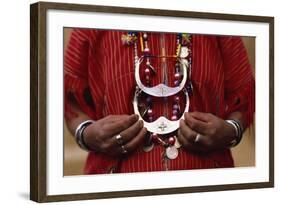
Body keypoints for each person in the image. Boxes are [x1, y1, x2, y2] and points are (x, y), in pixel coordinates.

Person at [64, 28, 255, 174]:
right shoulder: (95, 17)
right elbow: (70, 100)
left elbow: (243, 96)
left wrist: (231, 131)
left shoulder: (216, 17)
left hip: (207, 184)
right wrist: (87, 134)